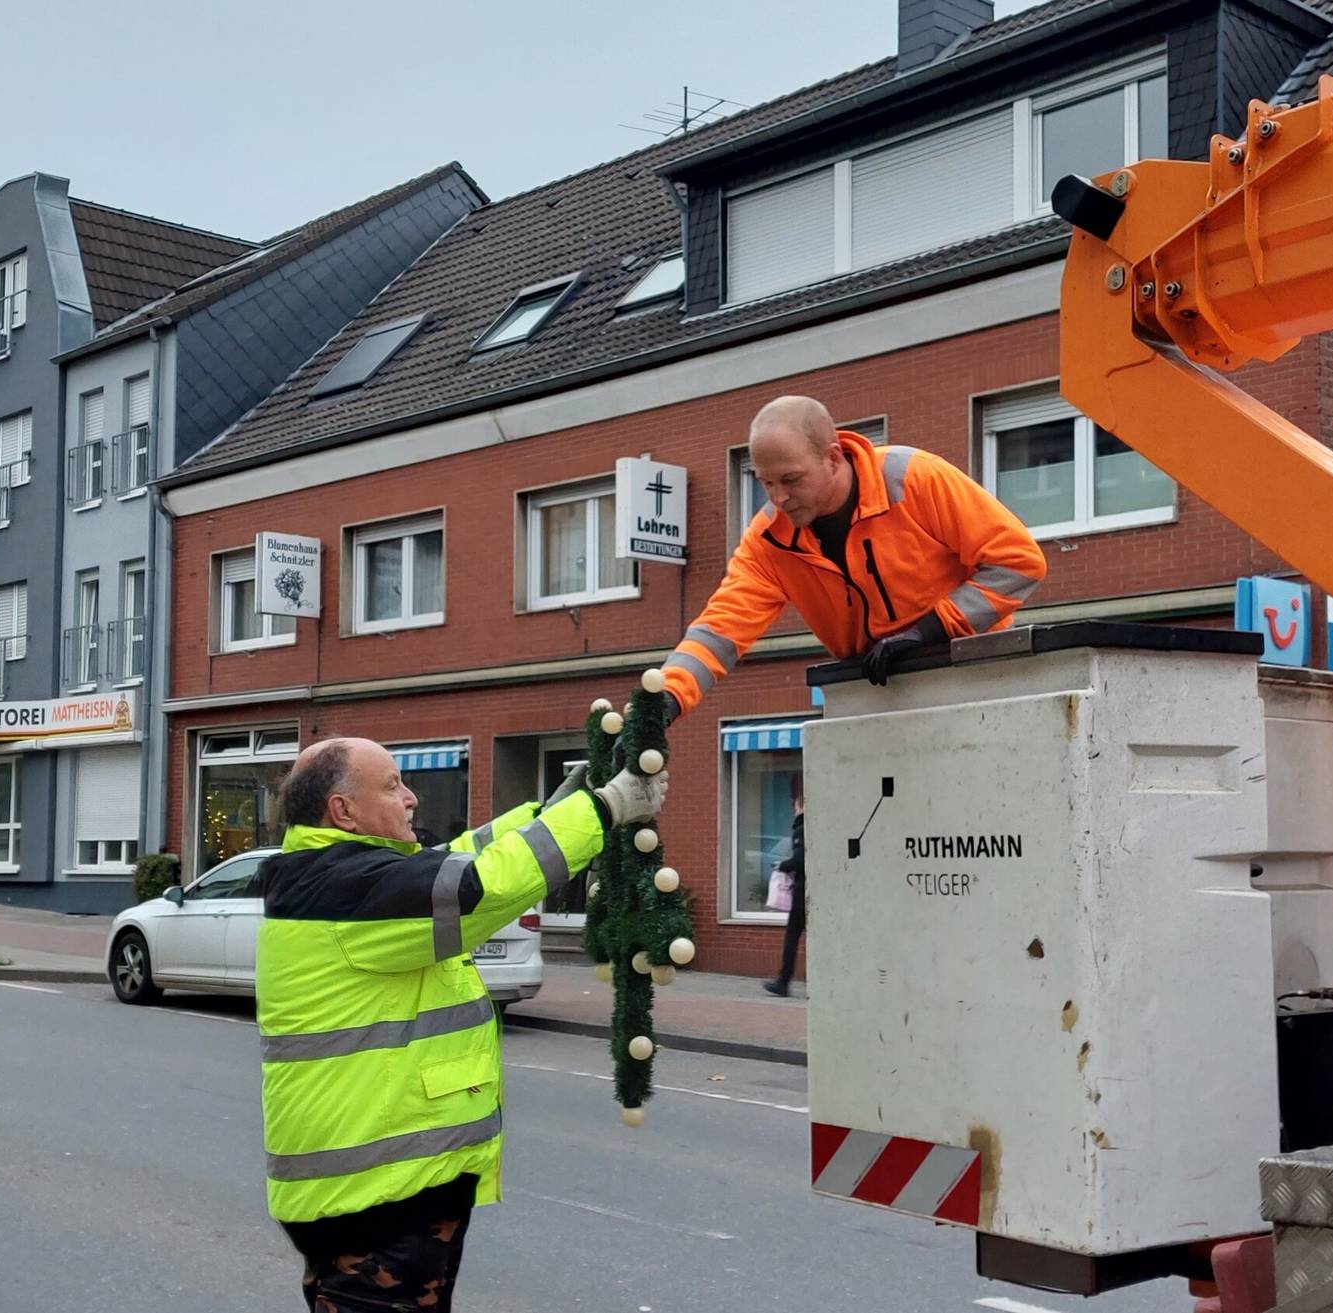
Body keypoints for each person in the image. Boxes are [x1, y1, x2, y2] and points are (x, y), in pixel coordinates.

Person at [257, 736, 667, 1311]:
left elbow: (463, 852)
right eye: (392, 785)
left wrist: (553, 810)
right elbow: (480, 886)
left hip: (378, 1196)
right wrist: (604, 809)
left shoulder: (342, 875)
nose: (411, 797)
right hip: (377, 1206)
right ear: (342, 810)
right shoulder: (348, 889)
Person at [661, 395, 1048, 719]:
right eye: (766, 483)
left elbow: (1018, 561)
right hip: (875, 697)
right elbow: (719, 630)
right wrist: (664, 700)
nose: (778, 498)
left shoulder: (915, 479)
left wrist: (929, 629)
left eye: (791, 480)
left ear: (832, 458)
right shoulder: (769, 540)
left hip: (979, 679)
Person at [765, 781, 807, 997]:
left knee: (793, 935)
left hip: (804, 892)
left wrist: (783, 865)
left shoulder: (802, 827)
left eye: (796, 807)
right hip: (817, 889)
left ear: (801, 807)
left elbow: (801, 860)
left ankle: (783, 981)